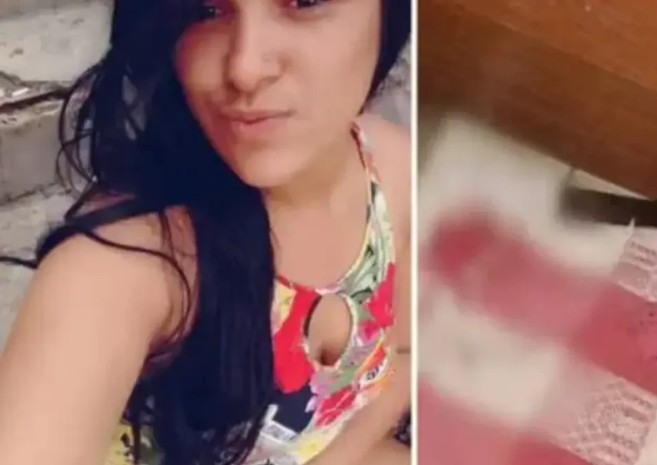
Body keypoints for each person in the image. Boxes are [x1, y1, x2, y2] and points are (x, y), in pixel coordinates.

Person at [0, 0, 411, 464]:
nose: (245, 68)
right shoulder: (131, 262)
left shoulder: (393, 171)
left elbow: (403, 357)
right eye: (205, 9)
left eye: (304, 1)